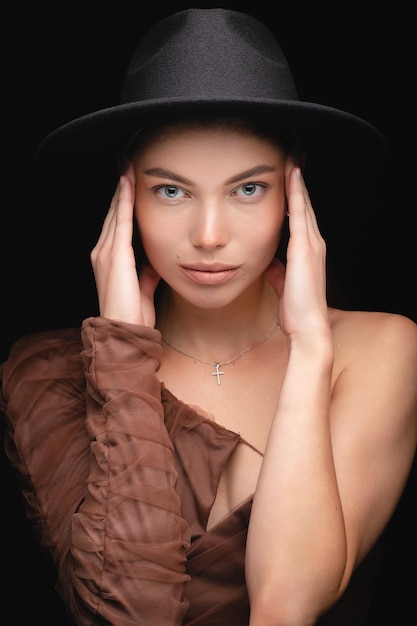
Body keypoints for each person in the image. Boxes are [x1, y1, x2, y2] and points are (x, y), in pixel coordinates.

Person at [1, 7, 416, 626]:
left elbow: (288, 604)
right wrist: (122, 367)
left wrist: (308, 348)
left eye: (248, 188)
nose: (210, 235)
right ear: (127, 194)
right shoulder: (46, 374)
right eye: (171, 190)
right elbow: (128, 612)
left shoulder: (381, 348)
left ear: (292, 190)